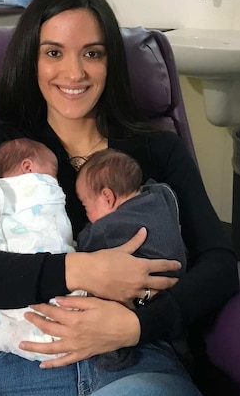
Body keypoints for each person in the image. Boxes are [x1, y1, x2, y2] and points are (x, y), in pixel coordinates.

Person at [0, 0, 239, 396]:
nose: (74, 73)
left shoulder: (157, 149)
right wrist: (78, 269)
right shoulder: (0, 151)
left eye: (92, 53)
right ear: (31, 60)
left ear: (110, 63)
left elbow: (220, 266)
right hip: (23, 364)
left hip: (139, 359)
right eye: (54, 52)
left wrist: (135, 325)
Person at [75, 148, 187, 372]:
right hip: (175, 292)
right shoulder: (161, 197)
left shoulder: (107, 228)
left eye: (86, 207)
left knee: (101, 286)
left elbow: (84, 250)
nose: (87, 215)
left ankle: (113, 358)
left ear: (107, 197)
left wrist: (85, 234)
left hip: (136, 301)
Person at [0, 137, 80, 362]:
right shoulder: (18, 192)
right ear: (28, 167)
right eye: (53, 174)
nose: (55, 181)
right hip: (31, 271)